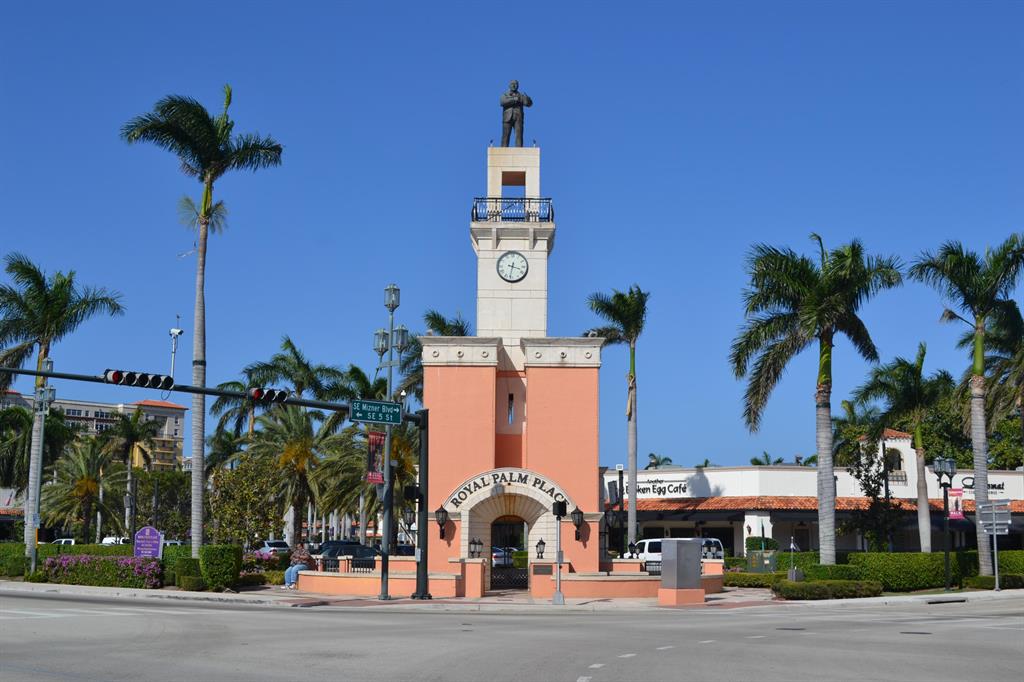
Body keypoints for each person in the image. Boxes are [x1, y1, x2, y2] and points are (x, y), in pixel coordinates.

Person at [500, 80, 533, 147]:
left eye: (515, 84)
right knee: (505, 135)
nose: (514, 85)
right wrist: (514, 99)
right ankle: (504, 148)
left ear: (518, 86)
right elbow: (502, 102)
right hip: (507, 118)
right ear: (509, 85)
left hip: (518, 117)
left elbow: (529, 104)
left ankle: (519, 148)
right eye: (512, 84)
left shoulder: (520, 96)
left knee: (519, 135)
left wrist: (528, 99)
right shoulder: (505, 94)